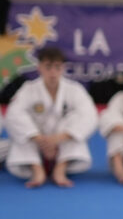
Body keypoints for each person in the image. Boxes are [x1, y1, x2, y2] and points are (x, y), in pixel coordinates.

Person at [5, 46, 98, 188]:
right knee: (23, 133)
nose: (53, 72)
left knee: (74, 122)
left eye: (57, 67)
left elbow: (89, 116)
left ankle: (61, 168)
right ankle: (37, 169)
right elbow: (13, 115)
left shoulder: (75, 89)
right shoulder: (28, 89)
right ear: (39, 68)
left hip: (63, 145)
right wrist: (38, 138)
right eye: (48, 67)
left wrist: (58, 138)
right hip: (36, 145)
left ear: (63, 68)